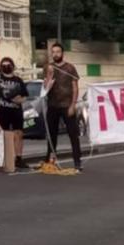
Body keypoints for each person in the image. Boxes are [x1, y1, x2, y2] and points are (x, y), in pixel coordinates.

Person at [43, 43, 83, 171]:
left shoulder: (70, 68)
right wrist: (49, 75)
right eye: (53, 52)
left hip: (67, 105)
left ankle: (77, 161)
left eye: (58, 52)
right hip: (53, 105)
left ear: (62, 53)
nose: (55, 54)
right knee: (51, 134)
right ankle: (50, 159)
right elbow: (45, 88)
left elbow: (75, 87)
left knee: (73, 134)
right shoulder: (49, 67)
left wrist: (73, 104)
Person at [0, 57, 28, 173]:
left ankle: (18, 158)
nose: (6, 67)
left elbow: (24, 96)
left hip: (16, 110)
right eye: (4, 65)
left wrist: (18, 100)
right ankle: (1, 159)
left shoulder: (18, 80)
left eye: (8, 65)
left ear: (13, 66)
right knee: (1, 135)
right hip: (1, 111)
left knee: (18, 133)